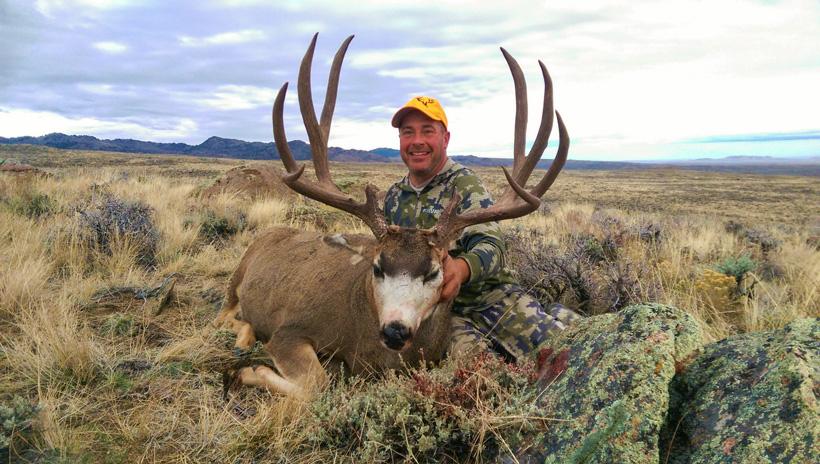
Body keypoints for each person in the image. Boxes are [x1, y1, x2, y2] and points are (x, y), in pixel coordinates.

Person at [383, 96, 579, 363]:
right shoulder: (394, 197)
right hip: (439, 314)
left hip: (492, 297)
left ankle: (561, 317)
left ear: (445, 139)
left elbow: (493, 246)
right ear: (401, 141)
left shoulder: (464, 185)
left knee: (566, 354)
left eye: (428, 131)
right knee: (479, 376)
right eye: (408, 133)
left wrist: (461, 270)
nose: (417, 140)